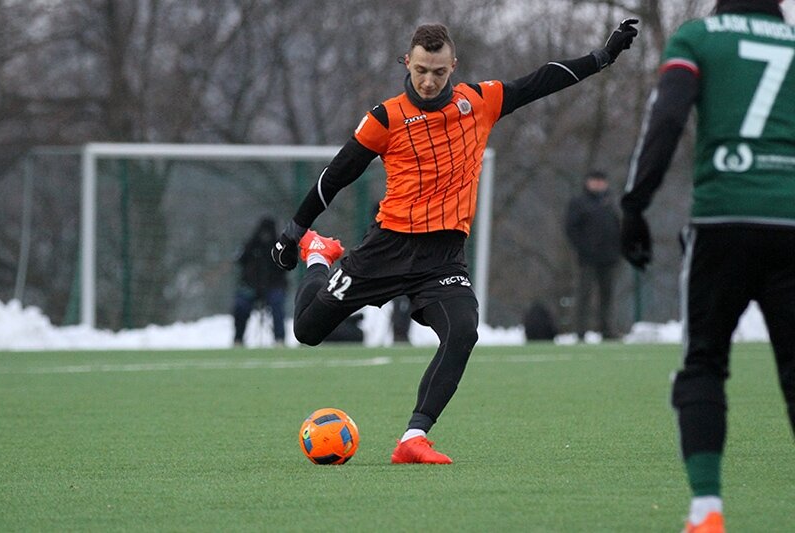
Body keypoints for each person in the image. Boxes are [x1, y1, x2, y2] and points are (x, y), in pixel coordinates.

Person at [272, 20, 639, 464]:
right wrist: (296, 232)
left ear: (454, 67)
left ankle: (413, 438)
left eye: (438, 72)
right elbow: (336, 176)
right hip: (387, 248)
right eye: (421, 70)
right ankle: (318, 256)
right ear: (407, 63)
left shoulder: (478, 102)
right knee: (307, 331)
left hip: (442, 259)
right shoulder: (385, 118)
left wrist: (602, 57)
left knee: (463, 331)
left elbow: (540, 81)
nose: (428, 81)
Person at [620, 1, 794, 531]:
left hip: (723, 221)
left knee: (704, 364)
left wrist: (635, 205)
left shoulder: (698, 38)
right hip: (790, 221)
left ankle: (707, 512)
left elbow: (668, 118)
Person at [564, 170, 621, 340]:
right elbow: (571, 229)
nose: (598, 184)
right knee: (584, 295)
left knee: (607, 296)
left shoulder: (610, 203)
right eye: (595, 181)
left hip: (609, 257)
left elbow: (617, 226)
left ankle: (607, 330)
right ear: (588, 182)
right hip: (588, 258)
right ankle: (580, 331)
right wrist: (584, 248)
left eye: (601, 181)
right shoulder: (579, 203)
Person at [233, 216, 288, 346]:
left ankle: (279, 339)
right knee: (240, 306)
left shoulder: (279, 248)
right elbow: (240, 260)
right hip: (251, 287)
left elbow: (285, 267)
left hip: (273, 286)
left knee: (277, 305)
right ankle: (238, 339)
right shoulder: (251, 246)